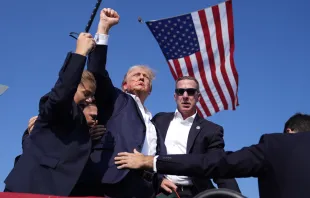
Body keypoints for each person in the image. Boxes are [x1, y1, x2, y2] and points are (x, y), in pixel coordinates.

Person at [115, 113, 310, 198]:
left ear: (289, 131)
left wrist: (151, 161)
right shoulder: (159, 120)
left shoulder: (276, 145)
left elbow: (218, 163)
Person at [83, 8, 167, 198]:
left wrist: (160, 178)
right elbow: (96, 72)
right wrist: (104, 29)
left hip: (146, 188)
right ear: (124, 85)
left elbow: (153, 151)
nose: (142, 78)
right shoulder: (118, 100)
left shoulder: (152, 121)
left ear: (150, 89)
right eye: (136, 75)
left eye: (146, 77)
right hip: (115, 180)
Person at [4, 32, 96, 195]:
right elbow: (62, 93)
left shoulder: (79, 125)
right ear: (75, 86)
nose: (89, 100)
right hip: (33, 187)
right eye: (86, 93)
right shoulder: (56, 106)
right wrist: (80, 53)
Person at [152, 76, 240, 197]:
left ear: (198, 97)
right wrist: (157, 179)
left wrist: (235, 195)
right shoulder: (159, 120)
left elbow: (218, 166)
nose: (185, 96)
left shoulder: (211, 130)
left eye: (191, 91)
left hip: (195, 193)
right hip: (161, 191)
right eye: (180, 91)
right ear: (175, 96)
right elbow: (147, 151)